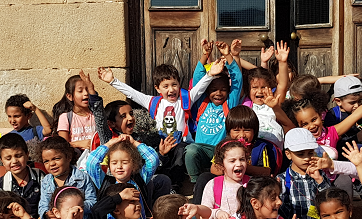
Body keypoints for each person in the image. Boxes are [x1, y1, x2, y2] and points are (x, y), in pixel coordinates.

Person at [98, 63, 192, 188]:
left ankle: (174, 185)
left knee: (171, 164)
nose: (171, 89)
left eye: (174, 85)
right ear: (158, 88)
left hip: (170, 150)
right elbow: (132, 94)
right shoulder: (109, 137)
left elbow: (152, 162)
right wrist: (112, 81)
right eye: (166, 86)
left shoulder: (139, 138)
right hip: (119, 184)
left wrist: (210, 74)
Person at [285, 80, 362, 157]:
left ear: (321, 115)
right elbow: (282, 118)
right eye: (304, 124)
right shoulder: (298, 139)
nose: (311, 126)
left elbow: (356, 115)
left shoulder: (331, 133)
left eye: (314, 119)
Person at [184, 47, 244, 181]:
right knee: (190, 150)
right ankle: (195, 182)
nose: (218, 93)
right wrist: (205, 54)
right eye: (214, 89)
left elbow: (237, 79)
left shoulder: (229, 103)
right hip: (201, 150)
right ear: (207, 90)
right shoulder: (202, 103)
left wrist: (227, 55)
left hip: (220, 150)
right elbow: (198, 80)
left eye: (223, 89)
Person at [84, 135, 171, 219]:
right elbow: (91, 163)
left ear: (134, 165)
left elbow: (153, 159)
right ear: (109, 165)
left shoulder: (140, 180)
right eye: (114, 163)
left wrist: (134, 143)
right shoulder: (105, 183)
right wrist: (108, 144)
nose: (119, 167)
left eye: (125, 162)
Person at [36, 135, 98, 219]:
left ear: (68, 157)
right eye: (46, 161)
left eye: (56, 158)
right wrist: (46, 214)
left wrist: (76, 207)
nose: (52, 164)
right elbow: (43, 205)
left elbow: (92, 202)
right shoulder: (46, 181)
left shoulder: (82, 178)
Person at [278, 128, 333, 219]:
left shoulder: (319, 174)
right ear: (288, 154)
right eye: (301, 154)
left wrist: (320, 180)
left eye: (310, 153)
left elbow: (332, 199)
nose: (307, 158)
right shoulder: (282, 179)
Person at [242, 40, 292, 148]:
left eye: (263, 87)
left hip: (272, 148)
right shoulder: (245, 103)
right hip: (251, 147)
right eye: (255, 88)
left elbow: (282, 85)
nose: (259, 91)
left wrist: (282, 62)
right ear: (248, 89)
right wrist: (233, 55)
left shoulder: (274, 102)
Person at [0, 133, 42, 218]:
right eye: (8, 158)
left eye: (18, 156)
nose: (14, 161)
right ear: (2, 161)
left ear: (27, 155)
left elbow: (46, 203)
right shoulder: (3, 183)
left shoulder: (40, 176)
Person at [53, 72, 101, 153]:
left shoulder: (96, 115)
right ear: (70, 96)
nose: (86, 93)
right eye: (80, 91)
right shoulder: (65, 117)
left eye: (87, 89)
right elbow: (63, 145)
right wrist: (78, 144)